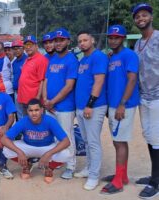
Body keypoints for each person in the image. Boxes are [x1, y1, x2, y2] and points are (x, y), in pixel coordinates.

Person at [100, 25, 140, 194]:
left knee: (119, 141)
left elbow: (132, 80)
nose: (113, 40)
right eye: (111, 37)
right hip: (114, 105)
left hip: (124, 105)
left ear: (122, 38)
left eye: (116, 37)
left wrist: (122, 104)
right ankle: (122, 175)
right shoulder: (111, 57)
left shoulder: (129, 55)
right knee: (120, 140)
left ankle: (118, 181)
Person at [0, 99, 71, 182]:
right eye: (31, 110)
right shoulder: (24, 121)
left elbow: (66, 141)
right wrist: (19, 152)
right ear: (27, 111)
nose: (34, 113)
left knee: (66, 154)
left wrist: (48, 154)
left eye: (36, 110)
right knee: (6, 150)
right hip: (28, 146)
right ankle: (27, 165)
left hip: (47, 147)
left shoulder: (50, 121)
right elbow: (4, 139)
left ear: (42, 110)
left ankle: (49, 168)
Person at [73, 31, 108, 190]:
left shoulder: (98, 57)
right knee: (86, 141)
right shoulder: (83, 59)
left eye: (85, 40)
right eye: (80, 41)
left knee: (93, 142)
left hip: (93, 107)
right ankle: (89, 168)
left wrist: (90, 105)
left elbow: (99, 82)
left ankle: (94, 175)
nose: (82, 43)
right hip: (81, 107)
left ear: (92, 40)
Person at [43, 28, 79, 180]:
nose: (58, 43)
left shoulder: (71, 60)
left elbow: (69, 86)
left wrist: (52, 101)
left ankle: (70, 166)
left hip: (64, 106)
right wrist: (45, 100)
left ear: (68, 41)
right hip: (49, 106)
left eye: (61, 40)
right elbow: (45, 80)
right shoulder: (53, 59)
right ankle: (59, 160)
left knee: (66, 137)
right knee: (55, 136)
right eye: (56, 40)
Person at [132, 2, 159, 198]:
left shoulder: (158, 38)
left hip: (158, 96)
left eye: (144, 15)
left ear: (151, 16)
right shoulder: (138, 43)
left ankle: (156, 182)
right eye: (137, 16)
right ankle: (154, 176)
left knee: (156, 137)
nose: (141, 18)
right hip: (144, 97)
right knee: (149, 136)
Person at [17, 35, 48, 116]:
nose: (28, 47)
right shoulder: (28, 58)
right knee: (27, 124)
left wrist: (37, 98)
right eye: (26, 45)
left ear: (36, 46)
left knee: (36, 125)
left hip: (33, 101)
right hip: (25, 99)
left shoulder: (41, 59)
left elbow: (42, 80)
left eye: (30, 45)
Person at [11, 40, 28, 120]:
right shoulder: (14, 63)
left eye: (18, 48)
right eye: (14, 48)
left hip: (26, 91)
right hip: (17, 91)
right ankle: (22, 131)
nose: (16, 50)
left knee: (27, 113)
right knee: (19, 113)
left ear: (23, 48)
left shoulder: (27, 60)